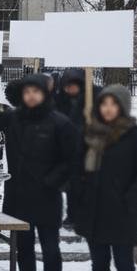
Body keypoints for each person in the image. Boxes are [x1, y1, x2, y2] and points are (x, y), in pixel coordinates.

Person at [0, 68, 78, 271]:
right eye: (27, 92)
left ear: (44, 94)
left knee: (51, 251)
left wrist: (52, 182)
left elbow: (71, 161)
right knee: (23, 249)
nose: (31, 96)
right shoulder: (13, 119)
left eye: (36, 92)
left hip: (47, 198)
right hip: (18, 197)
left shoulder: (59, 123)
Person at [72, 85, 137, 271]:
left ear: (121, 106)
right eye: (104, 104)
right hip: (94, 212)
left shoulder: (134, 135)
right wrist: (79, 199)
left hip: (122, 212)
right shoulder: (90, 134)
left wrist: (129, 198)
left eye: (113, 104)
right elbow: (79, 170)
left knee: (124, 266)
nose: (108, 109)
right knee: (99, 265)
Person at [55, 68, 86, 226]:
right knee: (67, 185)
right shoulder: (60, 100)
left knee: (79, 185)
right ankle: (71, 214)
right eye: (68, 85)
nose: (71, 89)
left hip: (83, 148)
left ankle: (78, 214)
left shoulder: (88, 100)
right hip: (65, 148)